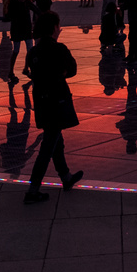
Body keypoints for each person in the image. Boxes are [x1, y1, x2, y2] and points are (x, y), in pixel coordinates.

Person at [24, 11, 84, 204]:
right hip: (56, 101)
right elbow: (72, 70)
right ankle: (33, 190)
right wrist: (60, 73)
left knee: (56, 140)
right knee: (48, 145)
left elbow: (34, 74)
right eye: (58, 27)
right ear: (54, 28)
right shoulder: (59, 49)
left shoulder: (33, 51)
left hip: (42, 100)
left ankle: (66, 177)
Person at [6, 0, 35, 83]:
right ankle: (11, 72)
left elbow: (35, 9)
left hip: (26, 29)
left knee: (30, 50)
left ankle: (26, 69)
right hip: (17, 30)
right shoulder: (13, 3)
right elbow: (9, 16)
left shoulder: (27, 1)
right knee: (16, 50)